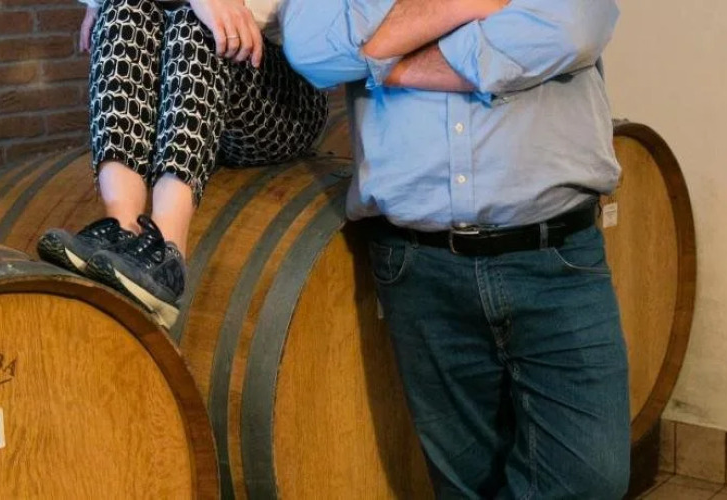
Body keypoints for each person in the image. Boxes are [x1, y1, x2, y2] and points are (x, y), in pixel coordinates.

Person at [281, 0, 629, 498]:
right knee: (464, 484)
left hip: (554, 256)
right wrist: (462, 6)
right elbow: (311, 50)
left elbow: (574, 27)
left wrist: (386, 61)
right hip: (419, 264)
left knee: (592, 478)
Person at [37, 0, 328, 328]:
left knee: (200, 22)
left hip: (279, 99)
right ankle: (122, 230)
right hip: (189, 104)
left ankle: (166, 252)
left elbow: (252, 15)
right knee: (124, 8)